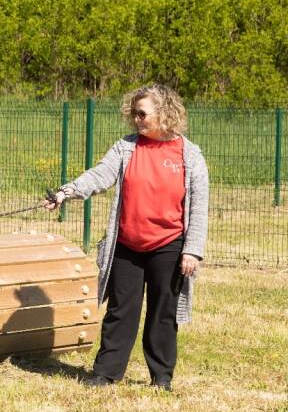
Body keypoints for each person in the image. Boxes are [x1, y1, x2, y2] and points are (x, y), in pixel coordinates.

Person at [44, 84, 208, 391]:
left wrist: (193, 251)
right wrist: (67, 192)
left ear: (165, 115)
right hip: (127, 245)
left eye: (143, 114)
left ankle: (161, 378)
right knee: (121, 310)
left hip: (169, 246)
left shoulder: (190, 155)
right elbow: (99, 175)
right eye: (134, 113)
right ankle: (105, 374)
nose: (137, 120)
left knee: (163, 313)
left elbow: (199, 208)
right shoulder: (126, 147)